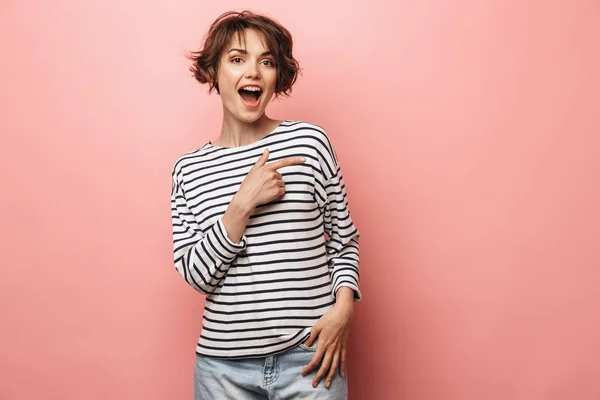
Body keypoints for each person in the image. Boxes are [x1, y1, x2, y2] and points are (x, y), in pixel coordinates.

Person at [170, 10, 361, 399]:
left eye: (267, 61)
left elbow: (344, 241)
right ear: (212, 73)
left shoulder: (310, 143)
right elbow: (195, 274)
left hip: (310, 360)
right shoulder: (188, 170)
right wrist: (240, 206)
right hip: (222, 371)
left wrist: (343, 309)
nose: (253, 72)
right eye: (237, 59)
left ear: (278, 77)